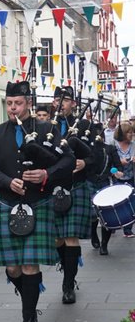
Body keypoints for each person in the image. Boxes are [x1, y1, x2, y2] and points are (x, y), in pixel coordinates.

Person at [0, 81, 74, 322]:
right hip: (7, 203)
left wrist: (46, 174)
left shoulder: (47, 129)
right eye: (9, 103)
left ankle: (27, 321)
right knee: (13, 268)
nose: (13, 108)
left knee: (29, 265)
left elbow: (67, 160)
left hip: (38, 202)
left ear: (29, 103)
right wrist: (6, 181)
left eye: (18, 103)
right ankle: (29, 298)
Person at [51, 87, 95, 304]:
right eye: (57, 99)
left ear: (74, 104)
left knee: (70, 237)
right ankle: (67, 266)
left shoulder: (85, 126)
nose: (60, 103)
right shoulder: (45, 125)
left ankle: (68, 284)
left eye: (65, 99)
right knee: (58, 239)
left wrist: (85, 162)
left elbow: (97, 155)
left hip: (76, 186)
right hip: (52, 187)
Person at [87, 121, 123, 255]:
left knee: (105, 214)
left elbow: (119, 166)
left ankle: (104, 245)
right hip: (90, 182)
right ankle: (93, 233)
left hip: (106, 183)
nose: (97, 136)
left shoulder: (110, 149)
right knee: (92, 215)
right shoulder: (86, 149)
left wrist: (117, 172)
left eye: (99, 133)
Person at [111, 122, 135, 239]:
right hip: (116, 178)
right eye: (128, 132)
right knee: (115, 203)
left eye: (132, 132)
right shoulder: (113, 145)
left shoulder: (134, 145)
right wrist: (119, 162)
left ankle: (128, 229)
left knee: (131, 203)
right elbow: (108, 161)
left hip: (131, 178)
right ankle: (113, 225)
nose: (131, 134)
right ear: (122, 134)